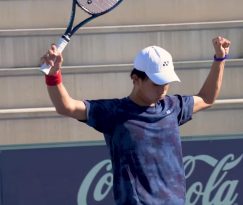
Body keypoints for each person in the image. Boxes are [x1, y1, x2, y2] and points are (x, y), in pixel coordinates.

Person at [41, 36, 231, 205]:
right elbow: (66, 106)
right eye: (157, 83)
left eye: (166, 83)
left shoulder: (173, 107)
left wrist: (220, 59)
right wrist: (53, 76)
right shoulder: (114, 113)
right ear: (135, 79)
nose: (163, 89)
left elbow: (207, 98)